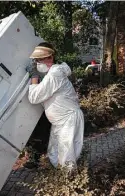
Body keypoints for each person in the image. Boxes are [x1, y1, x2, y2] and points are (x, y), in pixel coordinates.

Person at [26, 42, 84, 172]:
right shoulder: (52, 74)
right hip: (61, 121)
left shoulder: (55, 73)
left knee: (66, 160)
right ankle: (61, 181)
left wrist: (34, 77)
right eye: (36, 60)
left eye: (39, 60)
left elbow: (34, 97)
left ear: (50, 58)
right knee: (55, 154)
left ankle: (69, 186)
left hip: (67, 120)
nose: (36, 63)